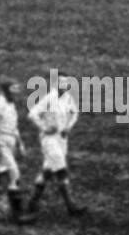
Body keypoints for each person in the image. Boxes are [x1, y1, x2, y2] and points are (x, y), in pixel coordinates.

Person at [26, 75, 86, 216]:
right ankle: (71, 205)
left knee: (47, 171)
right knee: (61, 170)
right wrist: (44, 127)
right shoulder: (49, 98)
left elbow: (75, 113)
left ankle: (32, 202)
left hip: (61, 140)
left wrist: (68, 127)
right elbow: (32, 114)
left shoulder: (68, 98)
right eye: (62, 84)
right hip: (49, 139)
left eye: (66, 84)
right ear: (56, 85)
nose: (64, 86)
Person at [0, 80, 33, 225]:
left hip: (10, 142)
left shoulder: (11, 105)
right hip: (0, 143)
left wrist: (20, 144)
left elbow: (14, 127)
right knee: (14, 173)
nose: (16, 94)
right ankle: (18, 214)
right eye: (13, 91)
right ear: (5, 91)